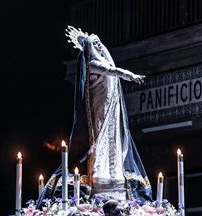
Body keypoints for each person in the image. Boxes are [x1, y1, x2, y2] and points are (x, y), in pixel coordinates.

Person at [60, 26, 151, 203]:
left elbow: (111, 67)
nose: (99, 46)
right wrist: (130, 75)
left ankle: (113, 170)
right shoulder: (92, 64)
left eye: (99, 42)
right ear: (88, 48)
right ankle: (100, 172)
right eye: (95, 44)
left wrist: (102, 47)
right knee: (101, 138)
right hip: (100, 108)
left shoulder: (102, 59)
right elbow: (112, 70)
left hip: (111, 108)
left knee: (114, 139)